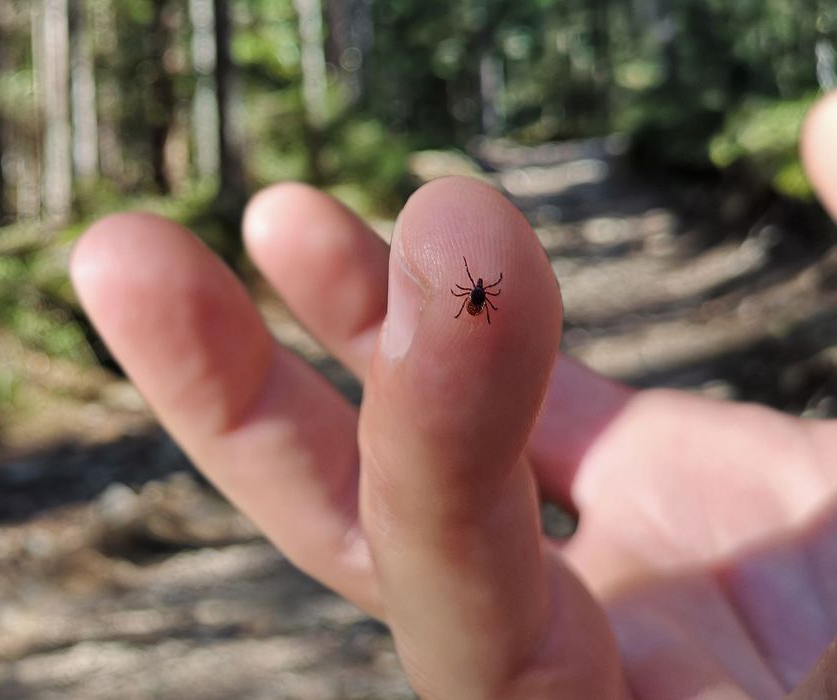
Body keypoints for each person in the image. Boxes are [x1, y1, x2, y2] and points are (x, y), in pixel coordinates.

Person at [69, 92, 837, 699]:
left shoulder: (479, 293)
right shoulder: (478, 293)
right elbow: (484, 289)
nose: (475, 292)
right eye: (475, 291)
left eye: (475, 291)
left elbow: (486, 290)